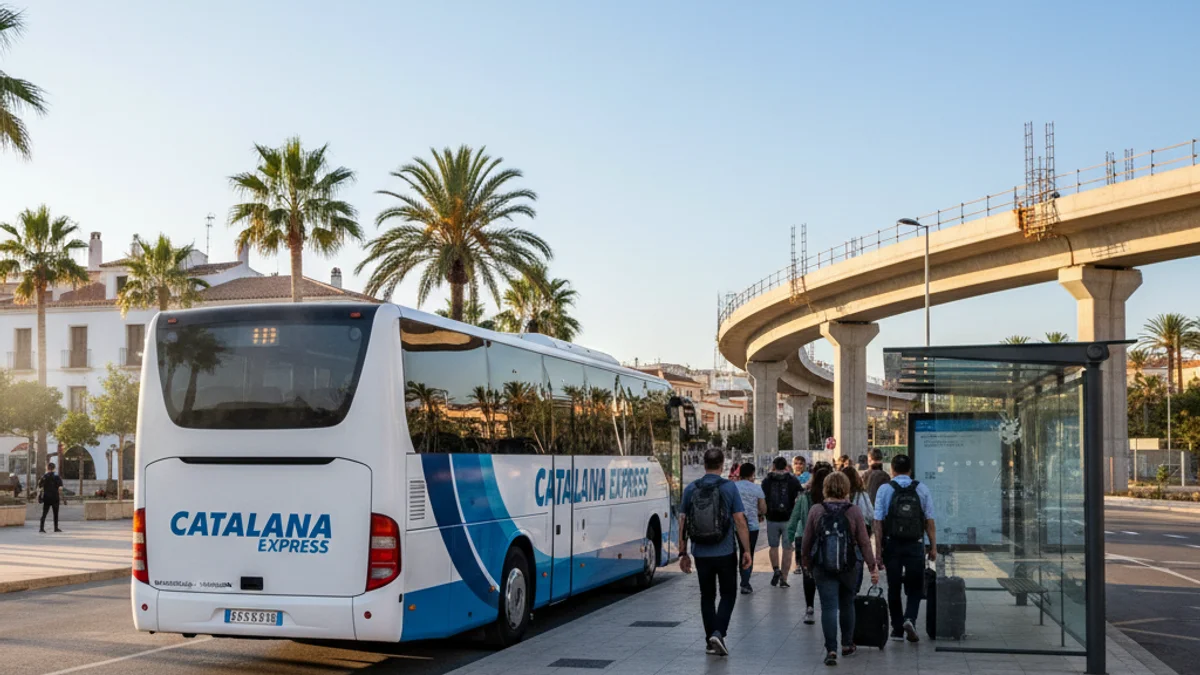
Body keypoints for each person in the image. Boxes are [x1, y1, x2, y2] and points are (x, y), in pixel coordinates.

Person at [679, 448, 753, 657]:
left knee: (707, 596)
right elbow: (740, 520)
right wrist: (746, 550)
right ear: (722, 465)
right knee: (728, 593)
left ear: (704, 464)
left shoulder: (691, 488)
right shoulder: (729, 487)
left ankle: (710, 640)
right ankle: (718, 633)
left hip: (701, 552)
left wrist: (683, 553)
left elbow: (683, 522)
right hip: (725, 551)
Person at [801, 471, 880, 666]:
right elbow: (863, 541)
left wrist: (805, 563)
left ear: (825, 488)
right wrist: (872, 566)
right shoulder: (853, 511)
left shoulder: (816, 510)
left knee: (828, 607)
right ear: (846, 489)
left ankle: (831, 650)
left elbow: (807, 541)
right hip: (849, 566)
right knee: (847, 604)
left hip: (822, 566)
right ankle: (846, 644)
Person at [873, 453, 937, 643]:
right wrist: (933, 547)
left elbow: (878, 523)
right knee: (915, 585)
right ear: (910, 470)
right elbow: (929, 521)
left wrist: (878, 552)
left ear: (891, 470)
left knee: (893, 587)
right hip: (915, 544)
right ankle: (910, 618)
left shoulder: (884, 490)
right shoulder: (922, 489)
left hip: (892, 544)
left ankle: (897, 629)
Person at [787, 463, 831, 625]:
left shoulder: (805, 496)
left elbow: (794, 519)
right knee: (827, 573)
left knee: (808, 573)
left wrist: (788, 540)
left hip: (805, 539)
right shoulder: (834, 499)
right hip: (827, 541)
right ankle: (828, 606)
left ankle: (810, 607)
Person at [760, 456, 802, 588]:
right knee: (787, 549)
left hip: (772, 518)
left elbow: (762, 498)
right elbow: (800, 496)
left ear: (774, 466)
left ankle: (776, 569)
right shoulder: (792, 479)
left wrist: (762, 513)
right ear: (786, 466)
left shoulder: (767, 480)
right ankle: (784, 578)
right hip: (788, 519)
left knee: (773, 546)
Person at [734, 462, 766, 594]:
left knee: (736, 552)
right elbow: (763, 509)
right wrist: (758, 513)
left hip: (734, 525)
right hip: (752, 526)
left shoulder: (733, 487)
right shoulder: (757, 488)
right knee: (748, 552)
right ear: (752, 474)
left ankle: (735, 579)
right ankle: (745, 582)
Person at [841, 465, 874, 591]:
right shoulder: (862, 495)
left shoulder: (839, 495)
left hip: (843, 535)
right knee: (858, 561)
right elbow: (871, 514)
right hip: (859, 535)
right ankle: (854, 589)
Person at [38, 462, 65, 533]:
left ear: (47, 468)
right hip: (55, 497)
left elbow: (40, 486)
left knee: (44, 513)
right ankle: (56, 528)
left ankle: (41, 528)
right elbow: (60, 488)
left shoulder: (44, 476)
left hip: (46, 497)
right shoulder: (57, 477)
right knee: (55, 513)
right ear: (54, 468)